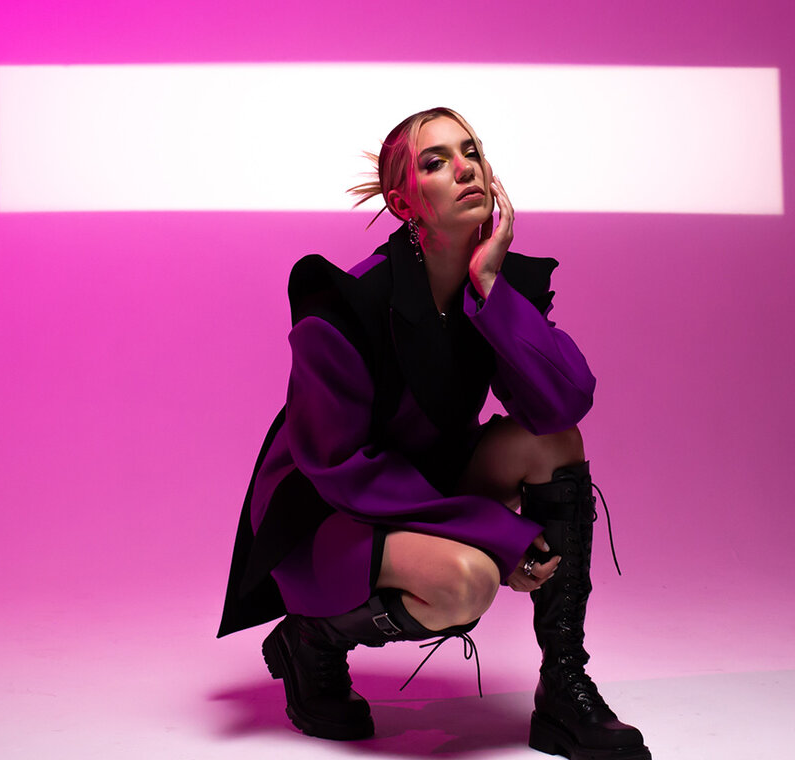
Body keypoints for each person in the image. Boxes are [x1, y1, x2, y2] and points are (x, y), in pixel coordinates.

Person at [217, 107, 649, 760]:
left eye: (471, 151)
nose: (465, 168)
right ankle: (311, 638)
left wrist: (491, 288)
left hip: (421, 485)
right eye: (436, 161)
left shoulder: (495, 285)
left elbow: (564, 404)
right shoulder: (345, 307)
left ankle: (563, 684)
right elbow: (342, 470)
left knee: (552, 445)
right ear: (403, 203)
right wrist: (496, 532)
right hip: (326, 514)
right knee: (467, 582)